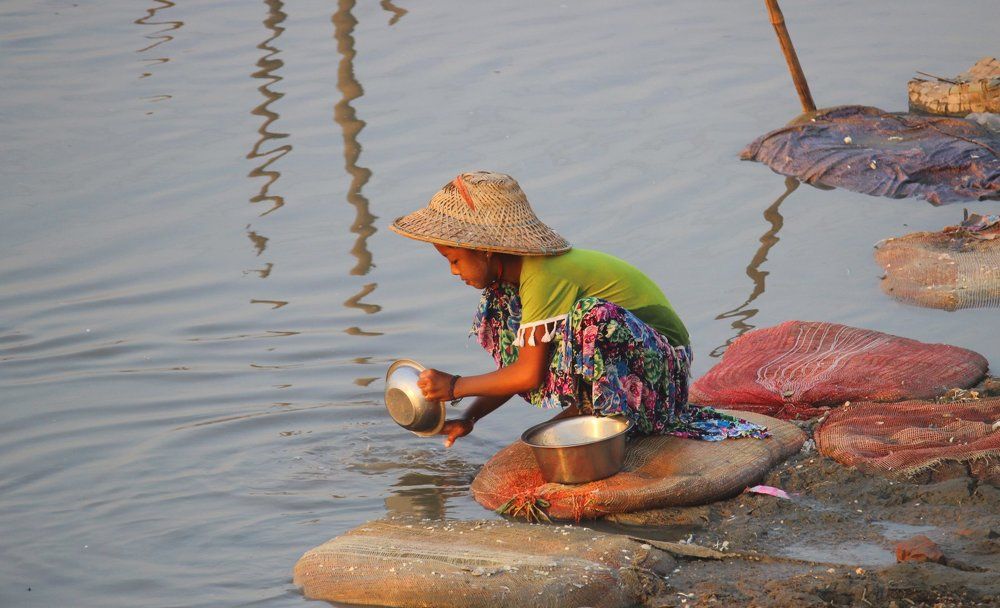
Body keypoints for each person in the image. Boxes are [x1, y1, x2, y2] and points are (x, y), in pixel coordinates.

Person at [391, 171, 766, 447]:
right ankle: (592, 407)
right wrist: (469, 416)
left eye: (455, 260)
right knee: (507, 307)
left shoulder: (542, 274)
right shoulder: (513, 282)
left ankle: (614, 415)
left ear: (487, 249)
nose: (453, 272)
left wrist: (455, 385)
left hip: (663, 370)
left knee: (592, 316)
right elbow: (516, 368)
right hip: (637, 360)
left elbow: (529, 375)